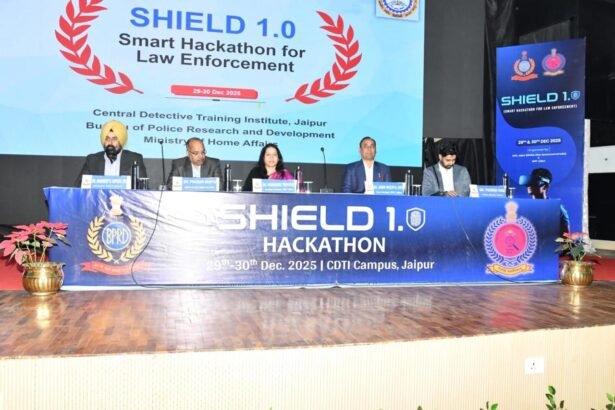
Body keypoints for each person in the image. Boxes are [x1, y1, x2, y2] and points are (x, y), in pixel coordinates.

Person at [74, 119, 146, 187]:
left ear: (121, 140)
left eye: (114, 139)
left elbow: (142, 188)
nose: (110, 143)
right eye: (107, 139)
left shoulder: (135, 159)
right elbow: (78, 186)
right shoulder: (92, 160)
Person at [519, 167, 570, 235]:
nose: (530, 185)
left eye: (534, 182)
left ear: (545, 186)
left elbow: (566, 237)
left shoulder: (557, 208)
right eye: (530, 182)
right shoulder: (524, 208)